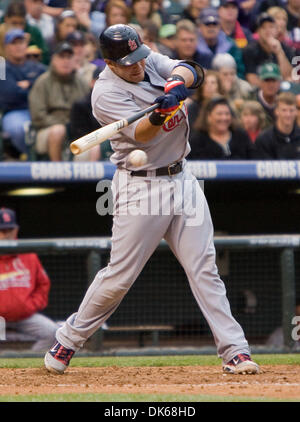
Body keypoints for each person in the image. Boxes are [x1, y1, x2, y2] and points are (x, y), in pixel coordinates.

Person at [44, 24, 260, 376]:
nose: (136, 66)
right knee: (120, 276)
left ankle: (235, 350)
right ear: (109, 63)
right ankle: (67, 340)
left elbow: (192, 70)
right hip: (141, 186)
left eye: (138, 57)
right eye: (127, 62)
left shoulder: (147, 60)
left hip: (182, 177)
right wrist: (159, 113)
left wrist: (176, 83)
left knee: (204, 267)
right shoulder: (105, 94)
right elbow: (143, 136)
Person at [0, 208, 59, 352]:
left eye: (10, 229)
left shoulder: (28, 254)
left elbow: (43, 284)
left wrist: (29, 305)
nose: (6, 234)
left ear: (16, 230)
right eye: (2, 230)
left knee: (54, 333)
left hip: (24, 316)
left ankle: (30, 362)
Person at [29, 42, 89, 161]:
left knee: (93, 139)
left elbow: (89, 110)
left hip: (76, 129)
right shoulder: (43, 82)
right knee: (58, 131)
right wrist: (64, 125)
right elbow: (38, 116)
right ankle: (57, 174)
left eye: (69, 57)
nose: (65, 61)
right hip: (47, 129)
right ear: (53, 60)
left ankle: (87, 179)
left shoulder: (81, 83)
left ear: (74, 61)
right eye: (61, 57)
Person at [0, 29, 46, 156]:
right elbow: (8, 94)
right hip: (15, 111)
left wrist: (28, 84)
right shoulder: (2, 67)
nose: (18, 46)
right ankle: (31, 157)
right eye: (14, 43)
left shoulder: (36, 66)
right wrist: (34, 85)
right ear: (6, 47)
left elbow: (46, 87)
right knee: (18, 129)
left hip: (40, 110)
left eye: (21, 42)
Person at [189, 96, 258, 159]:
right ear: (208, 117)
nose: (224, 118)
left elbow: (254, 160)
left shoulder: (241, 136)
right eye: (219, 114)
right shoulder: (197, 140)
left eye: (227, 114)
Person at [69, 66, 113, 161]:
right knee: (91, 151)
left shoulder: (117, 101)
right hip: (90, 144)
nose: (105, 85)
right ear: (92, 83)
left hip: (114, 143)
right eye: (101, 80)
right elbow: (79, 136)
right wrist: (101, 144)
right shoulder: (81, 105)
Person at [242, 12, 294, 87]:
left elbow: (288, 76)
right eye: (263, 27)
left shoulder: (286, 49)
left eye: (271, 27)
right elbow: (251, 78)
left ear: (276, 30)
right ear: (258, 31)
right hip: (259, 91)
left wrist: (279, 52)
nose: (267, 30)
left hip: (281, 89)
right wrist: (269, 89)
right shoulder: (249, 50)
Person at [196, 7, 245, 79]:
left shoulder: (230, 45)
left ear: (219, 26)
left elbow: (240, 72)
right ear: (200, 26)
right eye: (207, 24)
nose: (211, 28)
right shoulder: (193, 46)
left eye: (214, 24)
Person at [255, 92, 300, 158]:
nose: (288, 114)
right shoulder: (264, 139)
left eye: (291, 110)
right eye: (284, 110)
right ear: (276, 111)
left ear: (296, 112)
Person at [248, 62, 282, 127]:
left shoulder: (284, 101)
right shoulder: (250, 100)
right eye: (267, 80)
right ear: (260, 82)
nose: (271, 84)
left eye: (274, 80)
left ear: (279, 83)